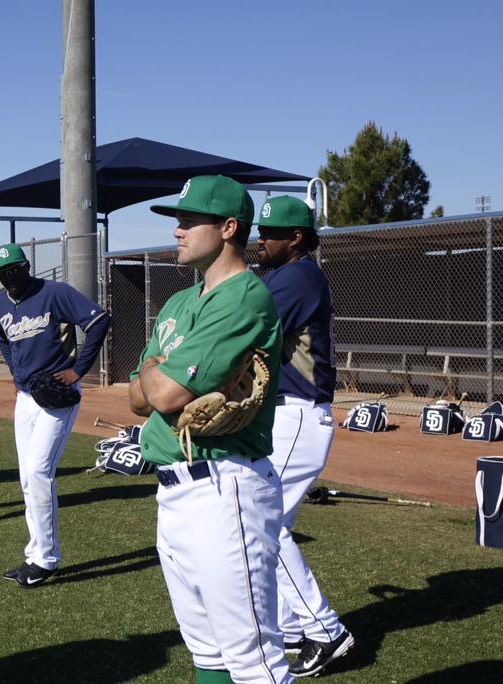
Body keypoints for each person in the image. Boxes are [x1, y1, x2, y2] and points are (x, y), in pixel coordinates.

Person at [128, 175, 289, 682]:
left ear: (227, 227)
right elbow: (137, 397)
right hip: (174, 492)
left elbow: (164, 394)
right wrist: (159, 375)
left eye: (188, 220)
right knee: (207, 655)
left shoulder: (245, 297)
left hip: (226, 489)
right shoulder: (179, 303)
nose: (177, 229)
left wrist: (158, 371)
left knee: (254, 661)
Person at [256, 195, 353, 677]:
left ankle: (326, 630)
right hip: (286, 416)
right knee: (269, 527)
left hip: (298, 416)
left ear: (296, 238)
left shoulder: (298, 276)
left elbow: (249, 325)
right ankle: (294, 625)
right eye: (260, 231)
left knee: (265, 527)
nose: (261, 239)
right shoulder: (279, 274)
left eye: (271, 233)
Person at [0, 243, 109, 587]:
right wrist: (16, 374)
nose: (10, 277)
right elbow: (2, 339)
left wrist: (79, 370)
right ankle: (35, 553)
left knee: (39, 473)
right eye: (3, 273)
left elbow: (99, 320)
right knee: (28, 479)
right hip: (25, 398)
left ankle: (47, 560)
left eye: (15, 269)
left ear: (27, 266)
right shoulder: (0, 305)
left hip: (58, 397)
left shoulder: (55, 293)